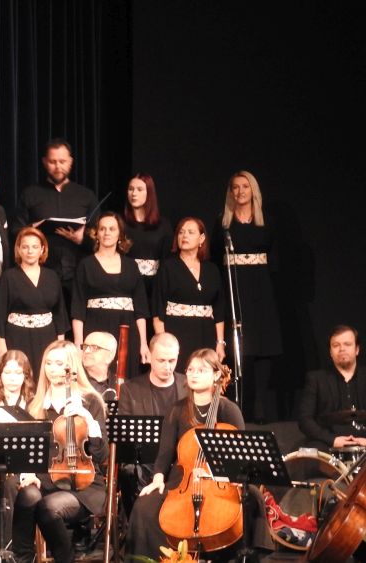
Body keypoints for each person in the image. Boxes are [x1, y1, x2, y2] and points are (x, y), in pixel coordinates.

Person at [126, 347, 270, 560]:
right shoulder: (177, 409)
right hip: (182, 480)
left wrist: (226, 475)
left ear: (217, 375)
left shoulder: (228, 410)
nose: (193, 374)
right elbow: (165, 453)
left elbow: (239, 455)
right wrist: (157, 479)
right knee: (144, 506)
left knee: (254, 496)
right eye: (190, 369)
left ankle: (237, 555)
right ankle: (165, 559)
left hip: (220, 479)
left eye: (201, 370)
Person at [11, 340, 108, 563]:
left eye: (59, 363)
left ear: (72, 367)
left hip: (84, 484)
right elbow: (27, 450)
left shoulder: (90, 401)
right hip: (46, 479)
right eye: (49, 363)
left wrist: (87, 419)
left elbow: (101, 456)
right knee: (27, 495)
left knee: (49, 507)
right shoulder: (35, 405)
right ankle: (22, 559)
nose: (53, 369)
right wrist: (29, 472)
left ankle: (66, 559)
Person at [210, 170, 282, 421]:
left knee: (263, 344)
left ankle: (261, 405)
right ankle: (240, 407)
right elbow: (215, 257)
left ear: (253, 190)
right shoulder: (223, 223)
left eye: (245, 186)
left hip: (260, 288)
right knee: (241, 344)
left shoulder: (267, 221)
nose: (240, 191)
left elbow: (275, 259)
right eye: (235, 187)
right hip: (234, 285)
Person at [71, 212, 150, 378]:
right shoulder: (85, 265)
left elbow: (141, 310)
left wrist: (143, 343)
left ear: (120, 234)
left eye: (112, 229)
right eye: (102, 229)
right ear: (96, 234)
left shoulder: (131, 266)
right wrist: (79, 343)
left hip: (127, 330)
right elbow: (78, 308)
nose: (107, 232)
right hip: (96, 327)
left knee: (126, 380)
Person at [15, 139, 99, 293]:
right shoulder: (30, 194)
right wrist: (33, 228)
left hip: (79, 274)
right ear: (44, 162)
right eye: (53, 162)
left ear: (70, 162)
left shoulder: (86, 195)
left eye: (62, 161)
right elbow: (15, 231)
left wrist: (82, 239)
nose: (58, 166)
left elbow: (100, 236)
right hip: (40, 273)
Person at [117, 333, 188, 508]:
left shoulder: (188, 386)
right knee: (130, 472)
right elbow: (126, 436)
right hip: (145, 463)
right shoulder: (130, 389)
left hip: (180, 463)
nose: (167, 367)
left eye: (172, 360)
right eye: (161, 360)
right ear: (149, 356)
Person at [152, 217, 226, 366]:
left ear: (202, 238)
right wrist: (163, 343)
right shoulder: (168, 267)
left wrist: (220, 342)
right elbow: (158, 308)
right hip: (177, 333)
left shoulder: (212, 269)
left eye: (190, 232)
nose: (184, 235)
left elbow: (219, 310)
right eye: (181, 232)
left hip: (205, 333)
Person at [0, 226, 68, 372]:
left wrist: (60, 347)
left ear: (42, 249)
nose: (30, 251)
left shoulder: (52, 276)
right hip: (17, 338)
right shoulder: (8, 277)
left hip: (47, 338)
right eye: (25, 247)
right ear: (18, 249)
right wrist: (2, 350)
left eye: (35, 247)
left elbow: (60, 315)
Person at [0, 350, 37, 548]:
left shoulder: (34, 405)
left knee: (14, 486)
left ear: (26, 377)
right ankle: (8, 545)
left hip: (25, 469)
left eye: (18, 373)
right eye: (7, 373)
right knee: (1, 484)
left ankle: (7, 545)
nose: (12, 378)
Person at [297, 325, 366, 450]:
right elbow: (304, 419)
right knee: (310, 454)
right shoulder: (316, 379)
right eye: (336, 345)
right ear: (330, 352)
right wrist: (332, 439)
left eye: (347, 344)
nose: (342, 349)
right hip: (328, 443)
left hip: (364, 440)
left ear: (357, 349)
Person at [123, 173, 172, 298]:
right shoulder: (120, 223)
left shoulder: (163, 225)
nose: (134, 193)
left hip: (154, 287)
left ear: (149, 193)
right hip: (126, 285)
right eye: (131, 189)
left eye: (139, 189)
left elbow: (167, 260)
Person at [81, 331, 118, 398]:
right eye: (85, 346)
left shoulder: (122, 386)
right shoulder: (73, 382)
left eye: (94, 347)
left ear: (110, 356)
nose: (86, 351)